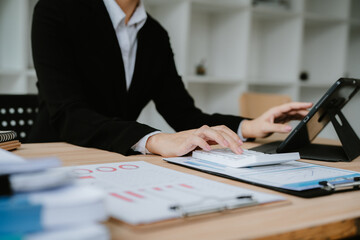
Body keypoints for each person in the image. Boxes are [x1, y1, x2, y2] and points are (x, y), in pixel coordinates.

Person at [29, 0, 312, 157]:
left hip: (117, 158)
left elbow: (184, 114)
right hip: (58, 156)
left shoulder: (155, 34)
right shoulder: (56, 10)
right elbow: (69, 114)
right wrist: (152, 139)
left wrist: (250, 126)